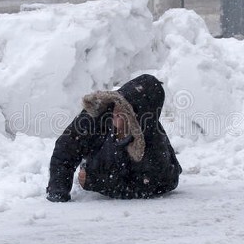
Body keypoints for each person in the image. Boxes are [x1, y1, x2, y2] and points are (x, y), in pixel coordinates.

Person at [47, 74, 181, 202]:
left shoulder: (152, 145)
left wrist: (94, 181)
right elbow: (65, 149)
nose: (117, 112)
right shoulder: (98, 115)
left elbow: (152, 185)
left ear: (137, 117)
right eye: (118, 104)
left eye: (125, 109)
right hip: (99, 160)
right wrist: (58, 191)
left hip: (112, 171)